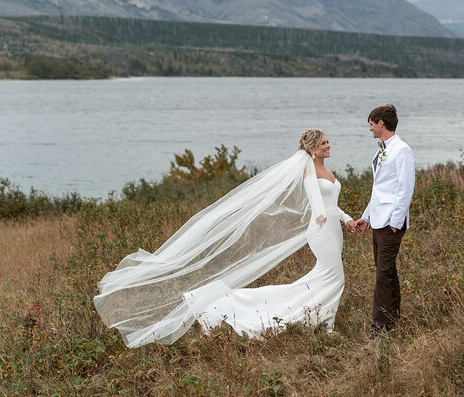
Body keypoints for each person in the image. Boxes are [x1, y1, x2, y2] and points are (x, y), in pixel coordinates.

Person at [94, 129, 356, 347]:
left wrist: (349, 221)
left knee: (325, 277)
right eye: (323, 143)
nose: (328, 145)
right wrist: (320, 216)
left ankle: (318, 319)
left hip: (333, 228)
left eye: (327, 142)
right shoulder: (309, 171)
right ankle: (325, 325)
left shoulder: (328, 171)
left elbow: (332, 203)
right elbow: (315, 199)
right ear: (312, 149)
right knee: (334, 276)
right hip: (321, 231)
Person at [354, 104, 416, 332]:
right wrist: (366, 218)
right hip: (378, 220)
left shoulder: (402, 150)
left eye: (371, 123)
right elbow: (380, 189)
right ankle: (393, 321)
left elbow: (405, 188)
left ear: (381, 123)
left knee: (382, 275)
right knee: (388, 273)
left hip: (391, 223)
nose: (369, 128)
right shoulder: (383, 149)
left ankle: (379, 327)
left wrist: (395, 223)